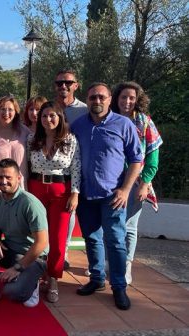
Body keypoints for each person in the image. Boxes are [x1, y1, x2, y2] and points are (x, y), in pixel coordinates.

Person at [71, 82, 143, 310]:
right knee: (92, 239)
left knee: (115, 241)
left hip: (113, 195)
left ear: (110, 99)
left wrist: (125, 189)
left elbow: (136, 160)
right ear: (87, 99)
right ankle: (96, 279)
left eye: (101, 97)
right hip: (85, 194)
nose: (97, 101)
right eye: (93, 97)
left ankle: (119, 287)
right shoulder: (78, 125)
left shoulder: (124, 125)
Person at [0, 159, 48, 308]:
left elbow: (42, 242)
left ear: (19, 178)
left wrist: (17, 268)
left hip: (32, 256)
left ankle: (32, 284)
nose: (4, 181)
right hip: (8, 250)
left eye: (8, 177)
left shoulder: (30, 203)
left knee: (14, 292)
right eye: (0, 177)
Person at [27, 101, 81, 303]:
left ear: (59, 118)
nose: (48, 120)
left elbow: (76, 168)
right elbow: (26, 166)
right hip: (36, 188)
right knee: (36, 234)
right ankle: (36, 273)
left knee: (58, 238)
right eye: (44, 116)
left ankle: (53, 279)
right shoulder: (32, 138)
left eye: (52, 116)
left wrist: (75, 193)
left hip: (61, 191)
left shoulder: (70, 140)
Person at [109, 82, 162, 284]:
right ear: (117, 99)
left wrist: (145, 182)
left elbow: (153, 158)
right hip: (111, 182)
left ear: (138, 100)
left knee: (129, 225)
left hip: (136, 182)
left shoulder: (145, 123)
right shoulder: (109, 120)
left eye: (131, 98)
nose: (127, 101)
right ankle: (109, 262)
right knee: (110, 224)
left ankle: (126, 265)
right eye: (123, 97)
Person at [53, 69, 87, 269]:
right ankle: (54, 252)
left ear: (76, 85)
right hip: (54, 172)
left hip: (80, 169)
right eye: (59, 83)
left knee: (71, 214)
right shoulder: (50, 108)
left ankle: (64, 252)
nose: (63, 86)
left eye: (68, 82)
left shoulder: (85, 110)